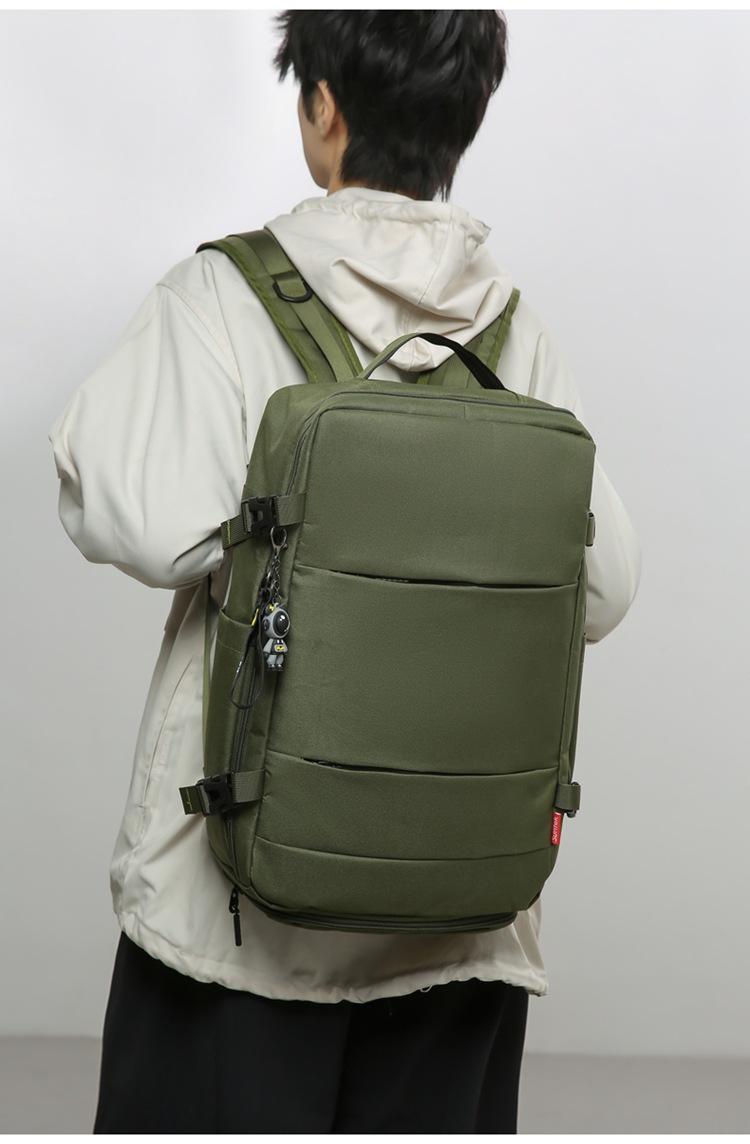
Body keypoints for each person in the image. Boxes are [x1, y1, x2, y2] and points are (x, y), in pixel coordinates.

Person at [48, 11, 641, 1134]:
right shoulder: (514, 334)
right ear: (467, 115)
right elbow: (604, 587)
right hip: (461, 921)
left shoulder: (222, 295)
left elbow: (129, 513)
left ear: (324, 107)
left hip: (235, 924)